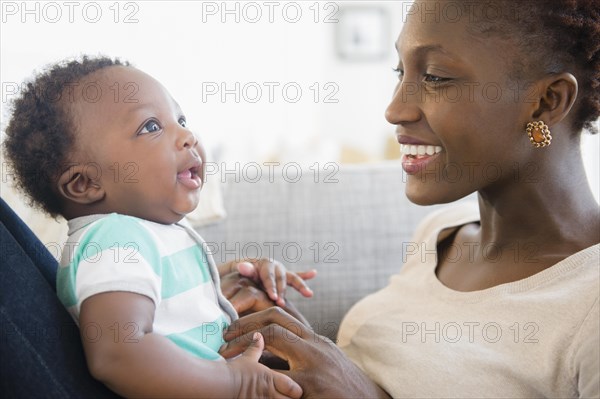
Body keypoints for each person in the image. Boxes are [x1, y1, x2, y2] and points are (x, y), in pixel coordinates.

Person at [218, 0, 600, 397]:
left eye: (435, 76)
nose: (395, 109)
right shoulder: (440, 237)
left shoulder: (588, 302)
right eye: (401, 71)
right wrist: (293, 344)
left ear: (547, 101)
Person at [2, 57, 316, 398]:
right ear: (85, 184)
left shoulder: (144, 236)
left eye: (181, 120)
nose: (187, 136)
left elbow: (173, 315)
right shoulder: (115, 238)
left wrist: (226, 283)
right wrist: (238, 382)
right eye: (151, 127)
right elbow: (118, 353)